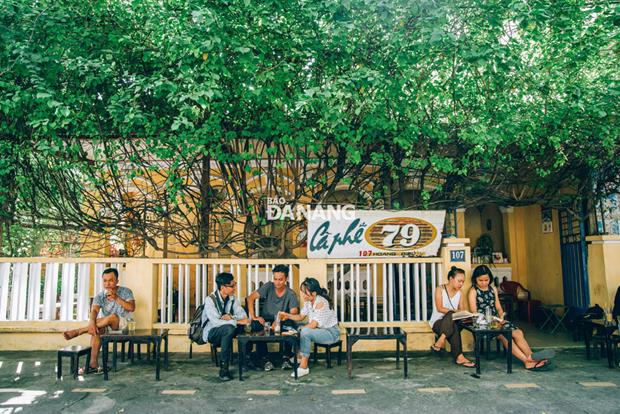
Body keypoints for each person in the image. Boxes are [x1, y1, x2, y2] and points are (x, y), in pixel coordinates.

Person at [468, 265, 552, 371]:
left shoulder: (493, 289)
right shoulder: (473, 291)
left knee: (518, 332)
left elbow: (498, 306)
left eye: (486, 280)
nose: (484, 283)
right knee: (505, 336)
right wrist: (491, 320)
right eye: (481, 280)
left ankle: (531, 356)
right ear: (475, 279)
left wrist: (501, 315)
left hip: (496, 321)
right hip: (483, 323)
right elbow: (474, 312)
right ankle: (527, 362)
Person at [62, 268, 135, 374]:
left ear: (117, 281)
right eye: (105, 281)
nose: (107, 283)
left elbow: (132, 308)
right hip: (107, 326)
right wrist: (92, 323)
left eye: (110, 280)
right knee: (96, 330)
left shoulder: (126, 291)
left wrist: (116, 298)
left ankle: (79, 331)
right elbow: (94, 310)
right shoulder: (100, 296)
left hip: (124, 325)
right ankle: (93, 364)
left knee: (113, 316)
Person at [279, 277, 339, 378]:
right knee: (294, 326)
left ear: (314, 293)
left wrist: (298, 331)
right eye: (302, 292)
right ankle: (299, 356)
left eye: (304, 292)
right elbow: (300, 317)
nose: (302, 295)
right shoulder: (309, 302)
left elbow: (313, 325)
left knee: (305, 332)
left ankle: (303, 366)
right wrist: (287, 315)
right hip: (320, 330)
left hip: (330, 333)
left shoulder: (321, 302)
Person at [246, 264, 299, 370]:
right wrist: (254, 316)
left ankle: (286, 358)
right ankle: (264, 359)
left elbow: (293, 313)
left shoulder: (291, 294)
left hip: (283, 320)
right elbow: (250, 298)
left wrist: (279, 320)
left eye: (280, 279)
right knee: (256, 326)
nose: (277, 282)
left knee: (290, 325)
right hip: (266, 319)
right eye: (275, 279)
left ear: (286, 279)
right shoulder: (268, 286)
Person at [202, 272, 250, 381]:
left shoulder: (232, 298)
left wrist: (231, 316)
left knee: (252, 325)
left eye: (235, 284)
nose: (234, 288)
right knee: (229, 329)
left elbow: (243, 315)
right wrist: (235, 321)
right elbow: (215, 322)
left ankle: (247, 359)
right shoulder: (210, 300)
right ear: (223, 287)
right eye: (232, 286)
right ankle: (224, 369)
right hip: (212, 332)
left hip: (228, 329)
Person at [428, 266, 475, 367]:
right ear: (451, 279)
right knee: (452, 320)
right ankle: (459, 357)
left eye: (463, 281)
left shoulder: (460, 293)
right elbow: (440, 308)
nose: (461, 284)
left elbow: (461, 311)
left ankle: (440, 340)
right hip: (438, 322)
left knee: (453, 320)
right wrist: (454, 312)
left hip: (453, 322)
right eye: (459, 281)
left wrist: (465, 314)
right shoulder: (440, 289)